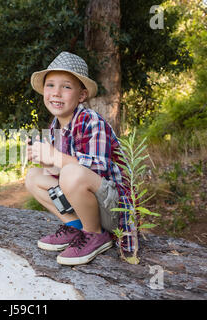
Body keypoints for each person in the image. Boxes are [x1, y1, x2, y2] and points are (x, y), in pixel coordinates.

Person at [25, 51, 134, 265]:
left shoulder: (91, 121)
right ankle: (76, 226)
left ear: (81, 95)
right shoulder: (55, 127)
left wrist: (56, 157)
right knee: (34, 176)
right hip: (88, 203)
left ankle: (95, 234)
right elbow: (63, 174)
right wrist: (48, 161)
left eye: (66, 87)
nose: (56, 93)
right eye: (50, 85)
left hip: (113, 209)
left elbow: (96, 170)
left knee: (71, 172)